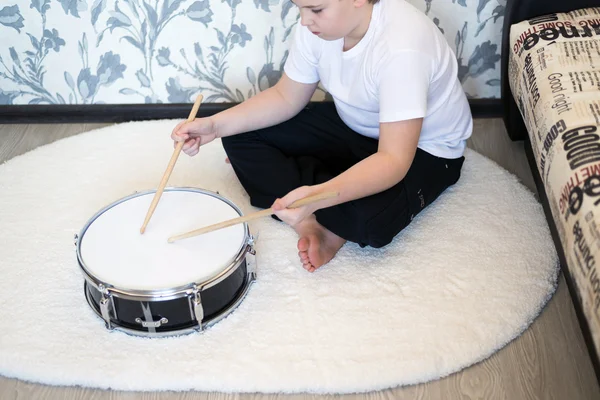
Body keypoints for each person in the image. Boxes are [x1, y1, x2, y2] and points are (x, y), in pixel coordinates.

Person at [171, 0, 473, 273]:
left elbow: (393, 159)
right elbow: (286, 97)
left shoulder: (402, 46)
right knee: (239, 134)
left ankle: (324, 207)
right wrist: (214, 125)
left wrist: (320, 194)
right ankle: (309, 219)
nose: (304, 21)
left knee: (368, 223)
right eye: (299, 8)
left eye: (315, 10)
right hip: (357, 126)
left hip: (423, 150)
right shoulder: (318, 29)